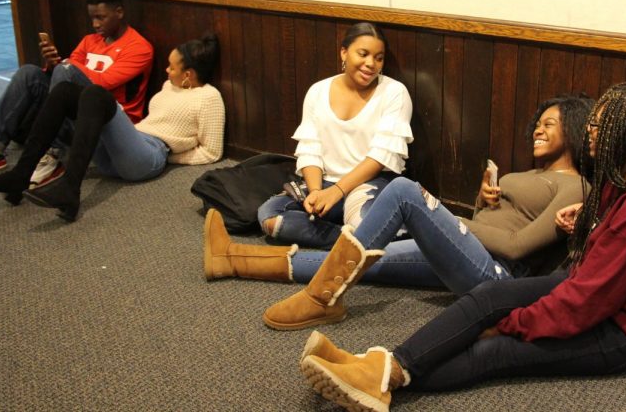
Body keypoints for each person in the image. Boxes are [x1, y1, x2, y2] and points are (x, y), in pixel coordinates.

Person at [297, 83, 626, 412]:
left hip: (624, 332)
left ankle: (382, 377)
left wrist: (510, 325)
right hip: (589, 288)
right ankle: (382, 365)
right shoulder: (624, 184)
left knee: (498, 350)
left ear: (625, 137)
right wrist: (587, 217)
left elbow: (584, 305)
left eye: (601, 127)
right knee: (488, 297)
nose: (591, 131)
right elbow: (598, 268)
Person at [203, 95, 593, 331]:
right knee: (362, 263)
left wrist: (448, 218)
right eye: (538, 124)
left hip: (495, 274)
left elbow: (517, 246)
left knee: (404, 191)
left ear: (573, 131)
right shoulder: (531, 174)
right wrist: (479, 201)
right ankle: (232, 260)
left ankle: (321, 300)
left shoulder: (575, 186)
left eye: (549, 124)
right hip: (466, 252)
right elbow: (490, 224)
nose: (538, 131)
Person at [0, 35, 224, 222]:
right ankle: (21, 175)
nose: (166, 71)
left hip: (149, 156)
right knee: (64, 91)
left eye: (172, 67)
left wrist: (170, 157)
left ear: (188, 74)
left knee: (97, 95)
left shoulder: (209, 98)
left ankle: (70, 189)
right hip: (128, 144)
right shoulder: (171, 87)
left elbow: (211, 152)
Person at [0, 0, 154, 186]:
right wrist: (53, 63)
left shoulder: (139, 48)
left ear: (119, 12)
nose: (95, 24)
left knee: (66, 70)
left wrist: (66, 65)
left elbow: (101, 83)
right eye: (92, 18)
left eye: (101, 17)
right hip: (76, 114)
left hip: (110, 124)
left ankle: (53, 154)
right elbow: (70, 75)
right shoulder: (91, 40)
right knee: (29, 73)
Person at [256, 22, 413, 249]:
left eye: (379, 58)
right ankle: (353, 241)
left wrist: (337, 192)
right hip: (325, 182)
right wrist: (317, 192)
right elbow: (310, 149)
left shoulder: (394, 92)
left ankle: (360, 237)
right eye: (363, 54)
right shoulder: (318, 90)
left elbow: (381, 157)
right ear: (343, 52)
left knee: (363, 222)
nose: (371, 64)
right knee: (271, 216)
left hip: (370, 183)